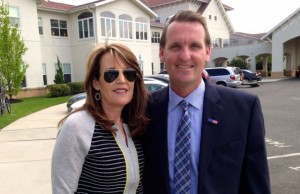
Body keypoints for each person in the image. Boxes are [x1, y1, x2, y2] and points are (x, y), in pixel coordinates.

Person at [142, 10, 271, 194]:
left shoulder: (244, 109)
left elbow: (256, 185)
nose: (185, 56)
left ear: (207, 52)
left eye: (194, 46)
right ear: (162, 53)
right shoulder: (144, 109)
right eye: (176, 46)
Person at [52, 43, 148, 193]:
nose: (122, 80)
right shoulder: (77, 126)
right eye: (111, 74)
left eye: (129, 73)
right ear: (96, 82)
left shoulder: (134, 125)